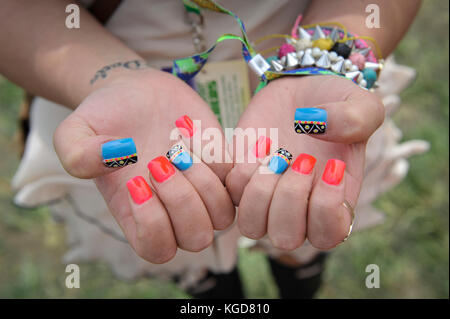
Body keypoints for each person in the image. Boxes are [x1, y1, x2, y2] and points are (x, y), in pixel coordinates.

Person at [0, 0, 421, 298]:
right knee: (179, 234)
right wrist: (112, 80)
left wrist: (322, 63)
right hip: (137, 117)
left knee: (304, 221)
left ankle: (301, 277)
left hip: (303, 84)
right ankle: (211, 287)